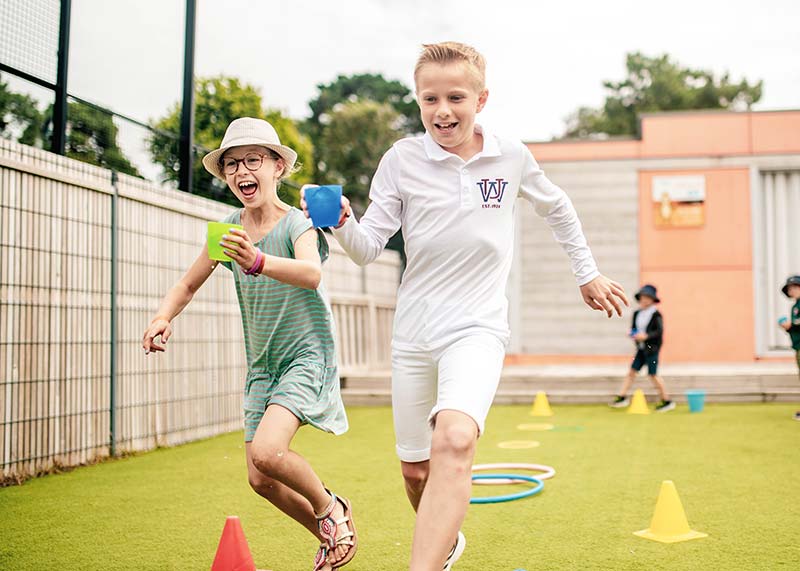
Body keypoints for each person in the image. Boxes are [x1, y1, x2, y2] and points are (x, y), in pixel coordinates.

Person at [301, 42, 628, 570]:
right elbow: (366, 250)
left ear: (482, 99)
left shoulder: (511, 156)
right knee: (415, 472)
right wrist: (340, 221)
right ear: (418, 100)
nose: (442, 110)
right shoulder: (402, 161)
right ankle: (448, 541)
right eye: (429, 99)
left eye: (456, 97)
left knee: (454, 437)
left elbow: (559, 209)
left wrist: (586, 273)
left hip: (476, 328)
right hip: (413, 336)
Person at [142, 118, 356, 570]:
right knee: (260, 478)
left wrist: (257, 260)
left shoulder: (297, 223)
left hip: (306, 354)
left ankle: (332, 509)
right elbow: (186, 284)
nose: (242, 171)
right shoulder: (228, 229)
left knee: (268, 451)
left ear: (277, 166)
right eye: (232, 164)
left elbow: (311, 273)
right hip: (263, 366)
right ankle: (327, 534)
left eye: (253, 160)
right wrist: (163, 316)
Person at [610, 284, 674, 412]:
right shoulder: (637, 313)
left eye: (647, 298)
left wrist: (646, 336)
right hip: (640, 348)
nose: (644, 300)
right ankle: (622, 397)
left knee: (653, 375)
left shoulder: (656, 314)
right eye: (643, 297)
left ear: (652, 300)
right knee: (632, 372)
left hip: (652, 349)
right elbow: (634, 328)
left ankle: (666, 401)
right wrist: (632, 334)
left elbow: (659, 331)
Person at [778, 275, 800, 421]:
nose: (792, 291)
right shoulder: (795, 307)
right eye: (790, 289)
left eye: (795, 287)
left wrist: (791, 326)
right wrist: (789, 328)